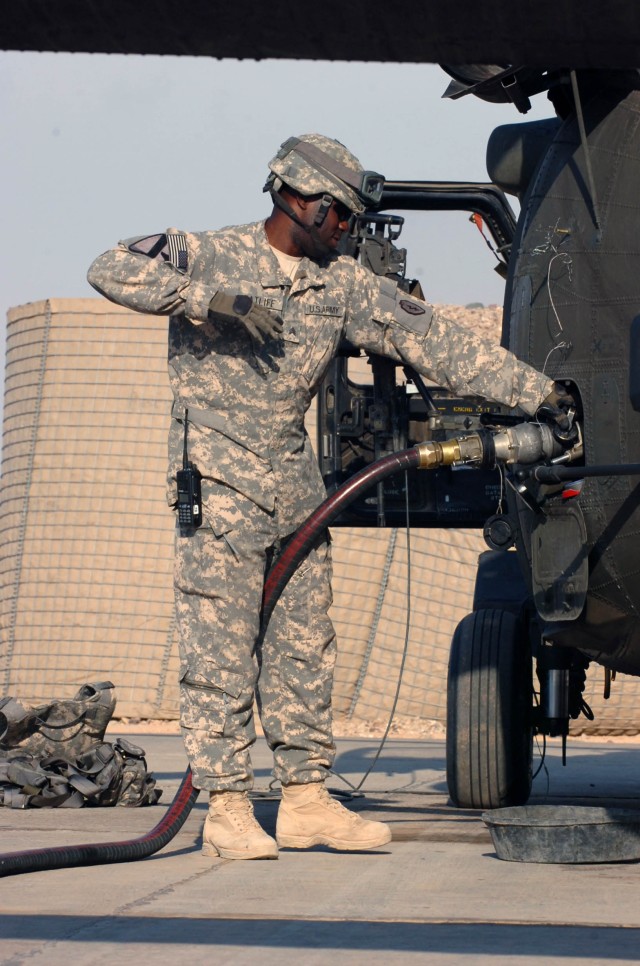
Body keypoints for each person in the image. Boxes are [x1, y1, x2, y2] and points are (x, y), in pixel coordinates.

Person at [88, 133, 557, 861]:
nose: (346, 230)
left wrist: (543, 395)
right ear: (298, 199)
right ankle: (230, 805)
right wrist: (209, 298)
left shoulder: (340, 284)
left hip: (295, 483)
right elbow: (111, 266)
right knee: (220, 647)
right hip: (219, 481)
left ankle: (306, 798)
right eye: (339, 215)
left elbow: (438, 343)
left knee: (305, 644)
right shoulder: (212, 252)